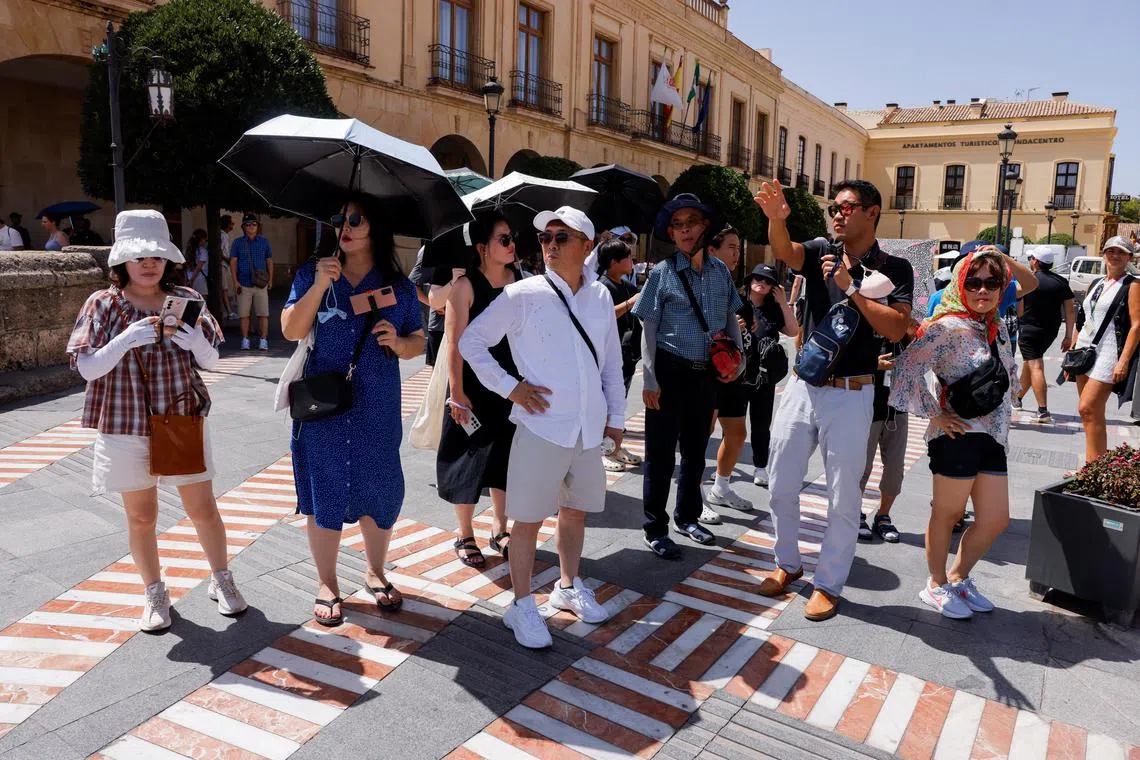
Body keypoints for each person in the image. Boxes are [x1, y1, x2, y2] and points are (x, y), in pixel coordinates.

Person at [66, 209, 246, 632]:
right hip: (125, 423)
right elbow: (87, 368)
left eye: (157, 257)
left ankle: (222, 578)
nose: (149, 264)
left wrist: (195, 339)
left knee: (202, 508)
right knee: (142, 517)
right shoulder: (102, 303)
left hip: (180, 417)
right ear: (122, 261)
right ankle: (154, 591)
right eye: (139, 257)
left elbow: (212, 361)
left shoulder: (185, 299)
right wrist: (126, 340)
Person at [460, 206, 625, 649]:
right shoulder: (524, 293)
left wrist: (616, 419)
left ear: (586, 246)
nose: (550, 244)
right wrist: (509, 387)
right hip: (542, 426)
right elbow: (471, 341)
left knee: (575, 512)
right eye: (545, 237)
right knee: (527, 521)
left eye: (561, 237)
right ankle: (521, 605)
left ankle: (568, 586)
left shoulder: (600, 297)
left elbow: (611, 363)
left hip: (586, 429)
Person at [750, 179, 914, 621]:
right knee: (780, 482)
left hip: (853, 393)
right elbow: (784, 250)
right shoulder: (822, 249)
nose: (838, 215)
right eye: (833, 208)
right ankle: (787, 563)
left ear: (872, 212)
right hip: (803, 386)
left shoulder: (895, 268)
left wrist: (851, 287)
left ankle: (828, 583)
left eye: (847, 207)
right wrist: (776, 219)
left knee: (843, 496)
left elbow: (897, 327)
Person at [281, 194, 424, 626]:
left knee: (379, 486)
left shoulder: (398, 288)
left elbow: (418, 340)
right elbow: (291, 329)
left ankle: (375, 572)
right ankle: (327, 582)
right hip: (323, 405)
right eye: (339, 218)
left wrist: (398, 343)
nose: (345, 226)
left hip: (377, 404)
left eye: (356, 219)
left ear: (375, 227)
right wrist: (319, 285)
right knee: (324, 487)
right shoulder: (313, 273)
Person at [890, 246, 1033, 618]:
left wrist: (1000, 255)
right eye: (973, 282)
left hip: (993, 435)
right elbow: (906, 367)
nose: (983, 290)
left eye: (992, 282)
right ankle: (936, 584)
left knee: (995, 519)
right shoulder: (946, 325)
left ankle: (958, 577)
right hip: (957, 434)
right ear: (960, 284)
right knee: (948, 513)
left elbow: (1030, 282)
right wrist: (934, 414)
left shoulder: (994, 325)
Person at [633, 194, 744, 559]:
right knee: (660, 455)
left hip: (706, 375)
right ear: (672, 233)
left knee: (696, 452)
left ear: (704, 227)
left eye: (691, 222)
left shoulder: (720, 272)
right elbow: (648, 328)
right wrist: (650, 378)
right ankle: (655, 528)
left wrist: (740, 358)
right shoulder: (662, 273)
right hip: (669, 372)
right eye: (677, 225)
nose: (684, 230)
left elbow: (729, 318)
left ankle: (688, 517)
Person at [437, 211, 520, 567]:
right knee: (466, 457)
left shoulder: (519, 281)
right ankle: (465, 533)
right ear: (483, 247)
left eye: (512, 237)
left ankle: (500, 529)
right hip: (472, 385)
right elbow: (454, 343)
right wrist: (456, 393)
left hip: (509, 384)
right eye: (504, 239)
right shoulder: (464, 287)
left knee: (505, 457)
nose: (512, 244)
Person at [1069, 237, 1140, 464]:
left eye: (1121, 252)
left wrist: (1124, 360)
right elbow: (1084, 318)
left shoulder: (1132, 285)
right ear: (1104, 254)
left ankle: (1094, 467)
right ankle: (1093, 466)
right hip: (1085, 351)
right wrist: (1073, 347)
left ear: (1129, 257)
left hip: (1109, 353)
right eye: (1110, 251)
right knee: (1090, 413)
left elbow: (1137, 325)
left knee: (1088, 407)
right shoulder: (1096, 283)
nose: (1115, 256)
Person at [702, 225, 757, 521]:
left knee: (737, 433)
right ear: (712, 250)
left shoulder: (732, 284)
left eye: (738, 248)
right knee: (702, 434)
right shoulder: (702, 283)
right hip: (709, 371)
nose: (737, 254)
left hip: (734, 371)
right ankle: (694, 499)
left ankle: (721, 488)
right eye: (731, 247)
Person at [740, 264, 798, 489]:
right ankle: (725, 467)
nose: (762, 283)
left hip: (763, 376)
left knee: (761, 423)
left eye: (768, 281)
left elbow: (793, 331)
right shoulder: (738, 302)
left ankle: (760, 467)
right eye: (758, 278)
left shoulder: (774, 309)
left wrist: (784, 301)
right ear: (750, 280)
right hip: (736, 373)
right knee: (732, 425)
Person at [856, 329, 914, 544]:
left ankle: (883, 516)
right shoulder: (868, 323)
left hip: (897, 407)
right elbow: (849, 359)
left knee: (895, 467)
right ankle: (854, 513)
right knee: (861, 466)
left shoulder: (907, 329)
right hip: (867, 406)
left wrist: (910, 332)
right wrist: (873, 364)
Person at [595, 238, 644, 472]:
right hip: (610, 355)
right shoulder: (601, 287)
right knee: (607, 403)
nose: (631, 261)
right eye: (627, 257)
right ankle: (604, 451)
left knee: (619, 401)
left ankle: (616, 446)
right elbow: (605, 315)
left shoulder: (625, 284)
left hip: (627, 353)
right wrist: (629, 303)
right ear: (614, 262)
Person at [1014, 248, 1075, 424]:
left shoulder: (1029, 280)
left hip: (1028, 329)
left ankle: (1042, 410)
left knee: (1035, 365)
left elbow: (1018, 305)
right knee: (1030, 362)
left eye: (1031, 258)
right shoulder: (1061, 282)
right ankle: (1017, 398)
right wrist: (1068, 336)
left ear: (1035, 261)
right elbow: (1070, 310)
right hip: (1050, 331)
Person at [230, 213, 274, 350]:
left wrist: (270, 279)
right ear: (243, 227)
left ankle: (263, 340)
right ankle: (245, 339)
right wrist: (235, 281)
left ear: (258, 226)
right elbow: (233, 262)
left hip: (261, 284)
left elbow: (269, 261)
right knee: (244, 314)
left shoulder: (264, 242)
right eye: (248, 224)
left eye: (254, 224)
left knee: (263, 313)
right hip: (244, 283)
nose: (251, 227)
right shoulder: (237, 243)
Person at [219, 215, 238, 319]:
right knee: (224, 289)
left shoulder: (225, 235)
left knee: (226, 289)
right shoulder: (222, 235)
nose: (232, 225)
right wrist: (228, 260)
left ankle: (227, 311)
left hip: (225, 265)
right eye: (231, 223)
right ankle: (229, 312)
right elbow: (220, 251)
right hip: (223, 264)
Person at [185, 228, 209, 298]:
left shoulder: (189, 250)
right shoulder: (203, 251)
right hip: (199, 279)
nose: (205, 242)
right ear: (202, 239)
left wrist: (188, 280)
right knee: (202, 300)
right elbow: (199, 267)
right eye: (205, 239)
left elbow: (186, 266)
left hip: (189, 278)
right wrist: (192, 280)